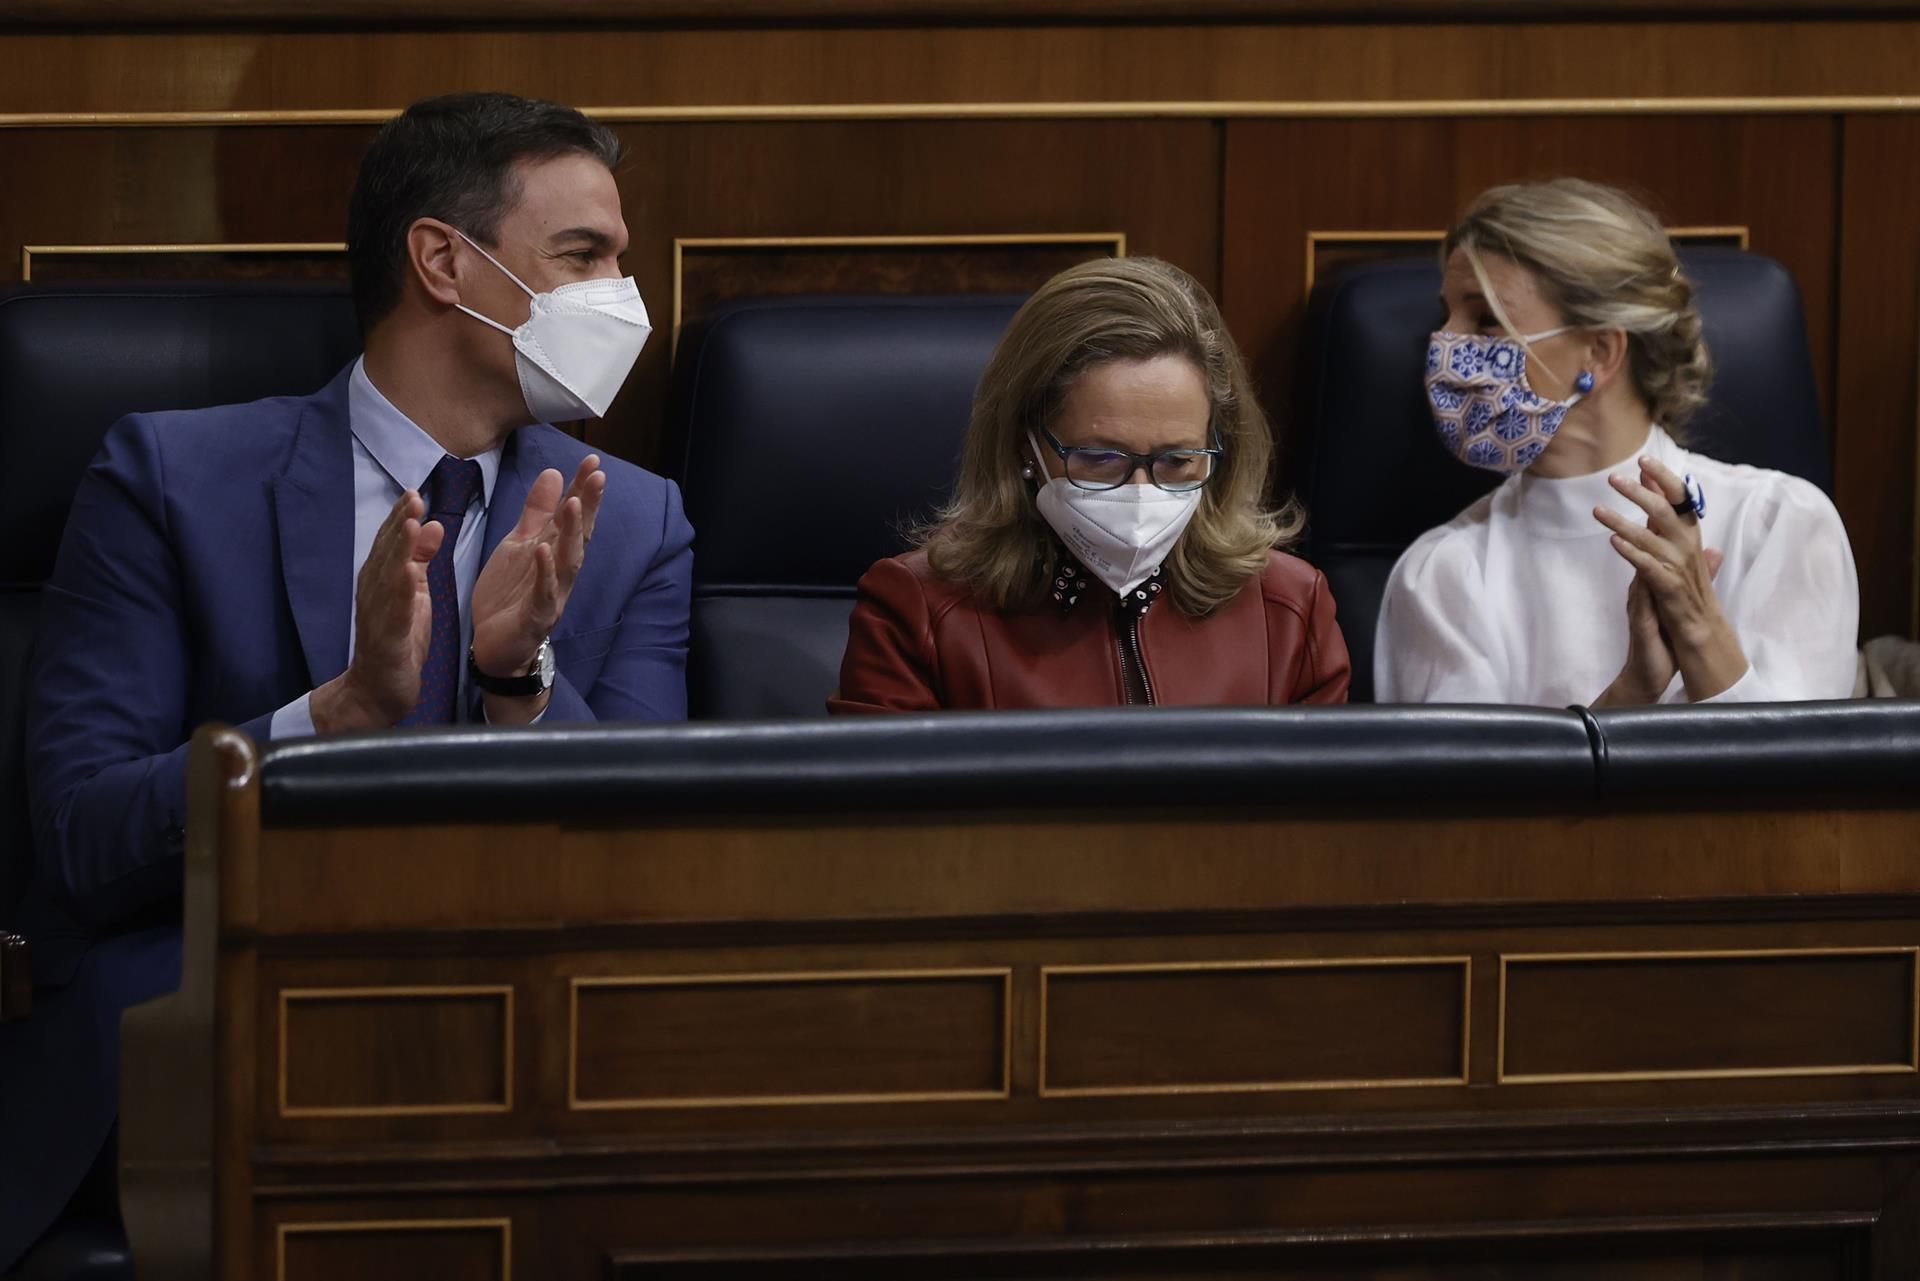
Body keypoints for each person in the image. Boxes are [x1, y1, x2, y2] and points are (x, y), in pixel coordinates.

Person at [0, 92, 693, 1270]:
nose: (622, 295)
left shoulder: (629, 522)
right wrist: (337, 714)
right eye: (584, 256)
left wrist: (518, 674)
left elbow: (644, 867)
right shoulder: (172, 481)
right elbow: (77, 837)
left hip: (521, 1057)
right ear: (442, 260)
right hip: (221, 1043)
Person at [1374, 178, 1858, 707]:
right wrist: (1631, 694)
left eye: (1486, 319)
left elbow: (1800, 782)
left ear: (1601, 353)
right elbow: (1474, 790)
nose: (1444, 346)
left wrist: (1698, 630)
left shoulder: (1778, 523)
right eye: (1447, 316)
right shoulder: (1441, 572)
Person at [830, 256, 1349, 712]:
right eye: (1100, 457)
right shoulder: (916, 614)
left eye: (1178, 460)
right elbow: (878, 821)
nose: (1142, 490)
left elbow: (1322, 821)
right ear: (1025, 445)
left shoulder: (1290, 609)